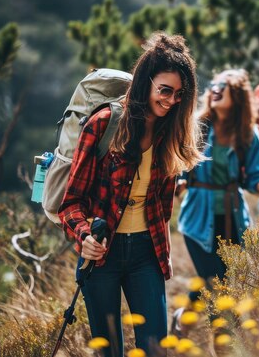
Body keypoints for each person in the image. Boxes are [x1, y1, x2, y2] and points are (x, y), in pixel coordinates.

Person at [58, 32, 204, 356]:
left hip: (146, 252)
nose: (170, 101)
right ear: (145, 84)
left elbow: (163, 209)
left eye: (179, 94)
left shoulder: (172, 133)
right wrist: (85, 237)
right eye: (164, 91)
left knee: (155, 349)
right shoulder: (105, 123)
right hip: (101, 255)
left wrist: (161, 249)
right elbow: (71, 202)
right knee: (109, 351)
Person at [173, 69, 259, 332]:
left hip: (233, 221)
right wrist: (179, 181)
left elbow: (257, 171)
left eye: (225, 86)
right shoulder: (195, 126)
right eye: (215, 85)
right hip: (199, 219)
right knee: (215, 286)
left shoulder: (247, 133)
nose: (217, 89)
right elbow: (177, 160)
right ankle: (223, 342)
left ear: (238, 96)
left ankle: (181, 319)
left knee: (219, 282)